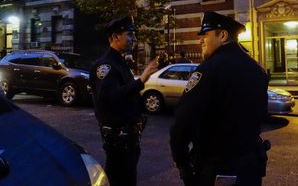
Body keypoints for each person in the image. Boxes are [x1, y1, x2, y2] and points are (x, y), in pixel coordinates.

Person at [170, 11, 270, 186]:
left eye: (205, 35)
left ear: (222, 35)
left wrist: (181, 160)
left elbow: (183, 120)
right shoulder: (256, 68)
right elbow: (260, 113)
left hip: (217, 168)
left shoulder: (208, 69)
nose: (200, 40)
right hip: (250, 169)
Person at [89, 16, 159, 186]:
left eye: (134, 35)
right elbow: (108, 98)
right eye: (129, 34)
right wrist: (141, 80)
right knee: (121, 180)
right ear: (115, 37)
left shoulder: (119, 61)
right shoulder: (106, 65)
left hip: (128, 138)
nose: (134, 39)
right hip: (119, 140)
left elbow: (126, 95)